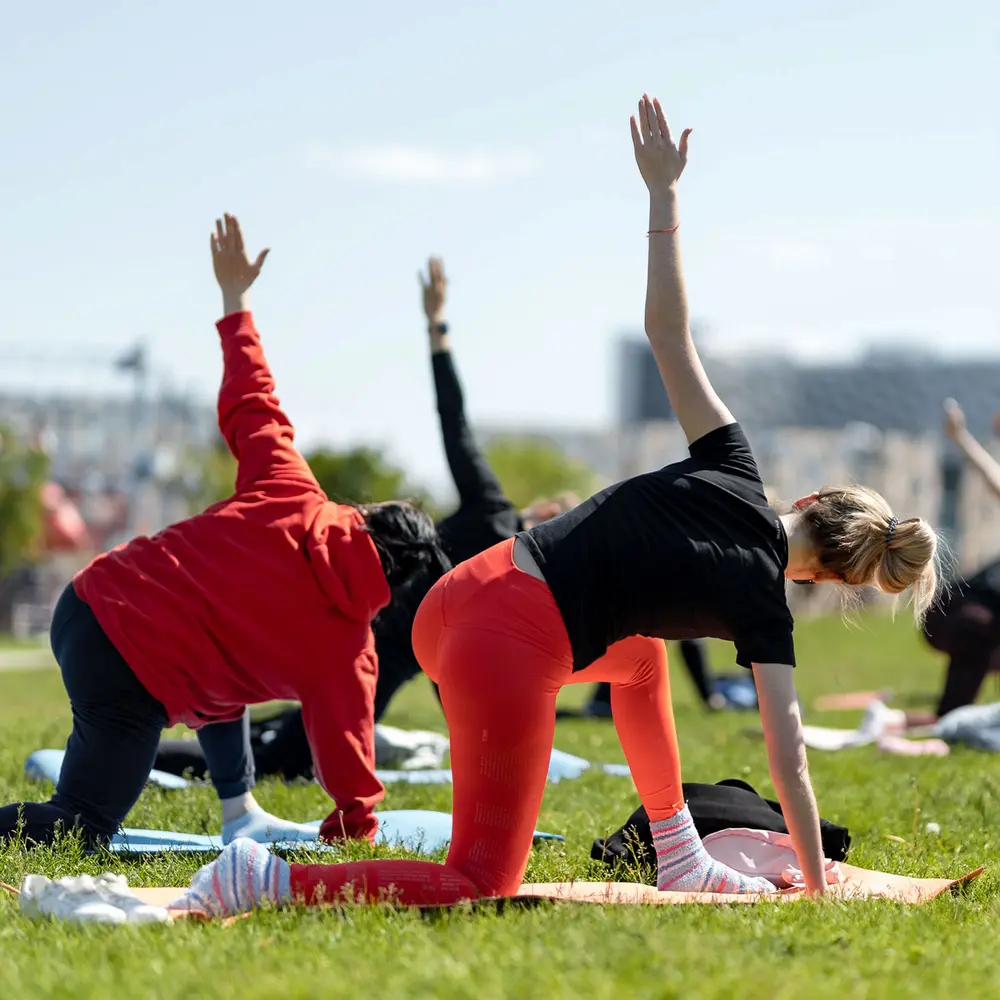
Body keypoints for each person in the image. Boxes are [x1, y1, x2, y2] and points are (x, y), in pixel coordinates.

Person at [173, 97, 940, 916]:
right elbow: (788, 760)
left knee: (640, 659)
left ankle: (680, 854)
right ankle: (262, 881)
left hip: (458, 600)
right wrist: (818, 885)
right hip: (502, 646)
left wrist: (662, 197)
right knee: (479, 881)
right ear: (828, 576)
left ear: (809, 498)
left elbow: (668, 333)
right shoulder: (764, 604)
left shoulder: (732, 459)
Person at [0, 214, 450, 849]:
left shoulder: (294, 490)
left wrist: (235, 299)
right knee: (82, 826)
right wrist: (356, 830)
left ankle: (240, 809)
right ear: (398, 587)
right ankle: (219, 805)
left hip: (90, 599)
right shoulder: (346, 652)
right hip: (126, 664)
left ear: (371, 513)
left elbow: (252, 398)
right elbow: (350, 761)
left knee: (224, 675)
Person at [176, 257, 581, 799]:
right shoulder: (492, 511)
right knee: (287, 761)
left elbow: (455, 662)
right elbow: (455, 424)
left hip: (393, 657)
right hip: (367, 630)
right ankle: (159, 749)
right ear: (545, 513)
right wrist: (438, 332)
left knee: (300, 748)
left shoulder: (522, 583)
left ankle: (257, 725)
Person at [918, 399, 1000, 719]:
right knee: (972, 622)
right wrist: (961, 438)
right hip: (956, 610)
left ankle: (952, 718)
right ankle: (951, 717)